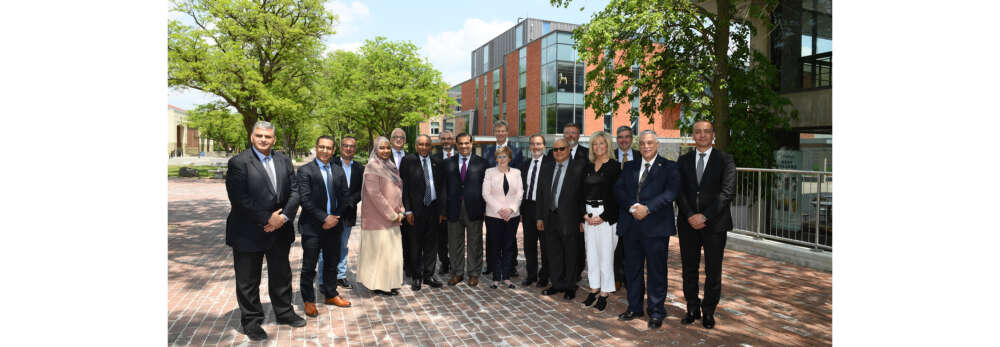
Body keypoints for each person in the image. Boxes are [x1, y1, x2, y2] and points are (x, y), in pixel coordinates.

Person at [224, 121, 304, 341]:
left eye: (267, 136)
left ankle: (285, 312)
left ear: (274, 139)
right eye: (259, 135)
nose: (263, 139)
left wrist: (283, 217)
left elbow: (295, 192)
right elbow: (239, 198)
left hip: (279, 231)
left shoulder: (283, 160)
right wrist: (268, 218)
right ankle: (251, 321)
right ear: (252, 137)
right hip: (248, 231)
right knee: (248, 280)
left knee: (281, 274)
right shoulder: (238, 163)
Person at [613, 130, 680, 330]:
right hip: (631, 226)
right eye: (642, 143)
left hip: (656, 227)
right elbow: (618, 189)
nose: (646, 146)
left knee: (656, 271)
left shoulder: (669, 167)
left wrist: (648, 208)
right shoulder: (630, 167)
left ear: (657, 144)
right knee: (632, 270)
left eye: (649, 143)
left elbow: (671, 193)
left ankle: (656, 311)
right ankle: (634, 307)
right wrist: (633, 207)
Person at [676, 120, 736, 330]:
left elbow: (727, 193)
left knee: (713, 270)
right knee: (689, 268)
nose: (702, 135)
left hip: (715, 225)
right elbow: (679, 191)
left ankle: (709, 310)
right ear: (693, 135)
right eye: (698, 132)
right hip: (687, 223)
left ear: (713, 135)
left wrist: (705, 216)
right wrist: (691, 215)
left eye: (706, 132)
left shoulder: (725, 160)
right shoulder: (683, 160)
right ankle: (692, 307)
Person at [295, 136, 353, 318]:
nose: (325, 151)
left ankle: (330, 294)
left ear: (333, 150)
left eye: (328, 148)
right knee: (309, 266)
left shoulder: (337, 170)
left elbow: (345, 197)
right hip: (312, 227)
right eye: (321, 147)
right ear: (316, 147)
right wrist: (324, 218)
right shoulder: (305, 171)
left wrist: (335, 217)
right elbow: (305, 199)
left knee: (331, 263)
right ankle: (308, 300)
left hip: (334, 225)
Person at [535, 138, 585, 301]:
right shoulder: (547, 167)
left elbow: (582, 196)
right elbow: (541, 194)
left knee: (571, 254)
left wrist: (581, 219)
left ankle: (570, 286)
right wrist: (540, 217)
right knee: (554, 253)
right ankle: (556, 284)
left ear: (569, 149)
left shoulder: (578, 167)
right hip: (550, 217)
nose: (558, 152)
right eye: (555, 150)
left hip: (570, 219)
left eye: (561, 149)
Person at [356, 136, 405, 296]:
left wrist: (401, 210)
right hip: (378, 220)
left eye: (387, 148)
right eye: (381, 148)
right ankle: (380, 285)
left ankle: (390, 283)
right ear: (376, 149)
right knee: (380, 254)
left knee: (391, 253)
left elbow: (398, 190)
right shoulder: (372, 167)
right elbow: (375, 195)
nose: (385, 151)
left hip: (394, 218)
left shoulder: (391, 166)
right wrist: (392, 215)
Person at [399, 135, 447, 291]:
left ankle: (429, 275)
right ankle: (416, 276)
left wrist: (441, 211)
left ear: (431, 146)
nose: (424, 147)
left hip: (433, 209)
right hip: (415, 210)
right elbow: (403, 187)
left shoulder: (437, 162)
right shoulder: (408, 161)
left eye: (427, 144)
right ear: (415, 145)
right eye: (421, 144)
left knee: (431, 245)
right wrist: (408, 210)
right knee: (415, 245)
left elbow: (441, 188)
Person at [579, 131, 620, 312]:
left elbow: (617, 196)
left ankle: (604, 293)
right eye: (595, 144)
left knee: (606, 256)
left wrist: (603, 216)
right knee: (592, 254)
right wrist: (584, 214)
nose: (598, 147)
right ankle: (594, 288)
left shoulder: (615, 167)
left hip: (606, 216)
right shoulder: (587, 166)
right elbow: (579, 193)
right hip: (589, 214)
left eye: (602, 143)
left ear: (608, 145)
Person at [317, 136, 364, 290]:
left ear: (355, 149)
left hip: (348, 213)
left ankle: (340, 276)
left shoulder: (359, 168)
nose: (348, 149)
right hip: (331, 214)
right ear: (339, 147)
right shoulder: (330, 163)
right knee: (326, 247)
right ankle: (323, 279)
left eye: (352, 146)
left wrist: (349, 202)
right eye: (345, 146)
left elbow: (361, 191)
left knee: (343, 246)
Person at [443, 132, 488, 287]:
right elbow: (444, 187)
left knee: (475, 242)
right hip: (453, 208)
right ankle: (457, 273)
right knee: (455, 243)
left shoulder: (482, 163)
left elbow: (486, 188)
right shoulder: (448, 163)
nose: (463, 146)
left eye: (466, 143)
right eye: (460, 143)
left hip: (474, 208)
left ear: (471, 143)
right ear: (456, 145)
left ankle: (474, 274)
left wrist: (484, 208)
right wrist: (443, 210)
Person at [482, 120, 522, 277]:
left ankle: (510, 266)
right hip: (493, 205)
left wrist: (513, 206)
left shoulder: (516, 151)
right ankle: (492, 266)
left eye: (502, 131)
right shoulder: (487, 151)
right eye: (497, 131)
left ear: (507, 132)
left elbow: (518, 178)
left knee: (510, 239)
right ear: (494, 133)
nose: (500, 133)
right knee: (492, 238)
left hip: (511, 205)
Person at [519, 134, 550, 288]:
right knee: (529, 244)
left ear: (544, 146)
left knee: (545, 245)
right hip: (528, 208)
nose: (535, 147)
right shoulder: (525, 164)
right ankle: (531, 275)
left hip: (543, 208)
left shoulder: (550, 164)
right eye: (533, 144)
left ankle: (544, 276)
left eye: (538, 144)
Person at [613, 125, 641, 291]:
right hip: (615, 208)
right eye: (620, 137)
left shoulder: (639, 156)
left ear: (632, 139)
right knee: (616, 246)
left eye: (627, 137)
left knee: (632, 247)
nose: (623, 140)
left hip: (634, 208)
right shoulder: (610, 155)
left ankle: (630, 277)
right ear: (617, 140)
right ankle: (617, 277)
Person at [389, 128, 414, 278]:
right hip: (390, 203)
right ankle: (393, 268)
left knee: (409, 236)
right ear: (391, 139)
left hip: (408, 202)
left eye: (402, 137)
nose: (399, 139)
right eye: (395, 137)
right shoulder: (384, 155)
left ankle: (409, 266)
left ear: (405, 140)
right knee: (391, 237)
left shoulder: (411, 157)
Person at [431, 130, 456, 275]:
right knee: (441, 238)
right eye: (444, 139)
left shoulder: (460, 157)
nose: (446, 141)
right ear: (440, 141)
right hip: (439, 204)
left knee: (455, 237)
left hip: (456, 204)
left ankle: (455, 263)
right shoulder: (434, 158)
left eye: (449, 139)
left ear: (453, 140)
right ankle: (444, 263)